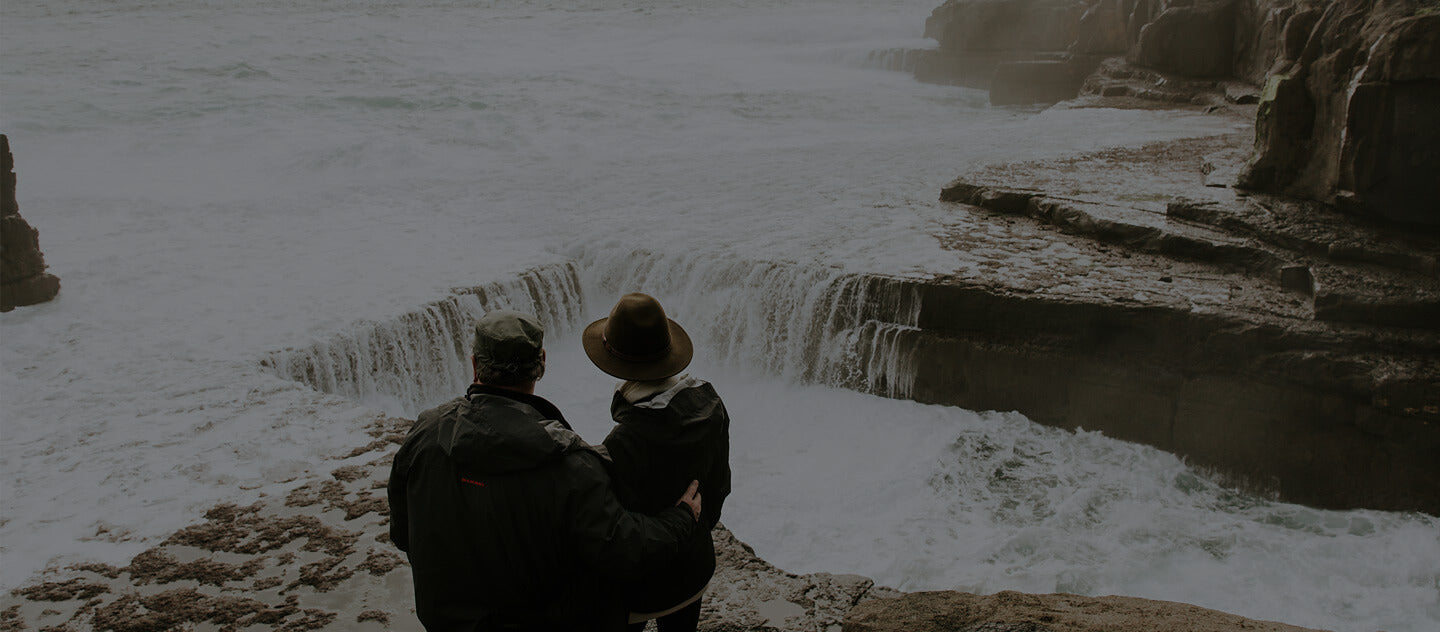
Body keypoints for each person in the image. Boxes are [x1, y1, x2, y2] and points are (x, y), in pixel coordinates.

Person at [388, 309, 703, 632]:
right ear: (541, 364)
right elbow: (623, 549)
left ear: (474, 365)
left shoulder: (424, 433)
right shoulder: (570, 463)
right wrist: (679, 519)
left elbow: (402, 532)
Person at [582, 294, 732, 632]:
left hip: (639, 589)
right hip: (692, 572)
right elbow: (719, 488)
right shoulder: (711, 405)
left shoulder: (623, 442)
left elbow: (616, 537)